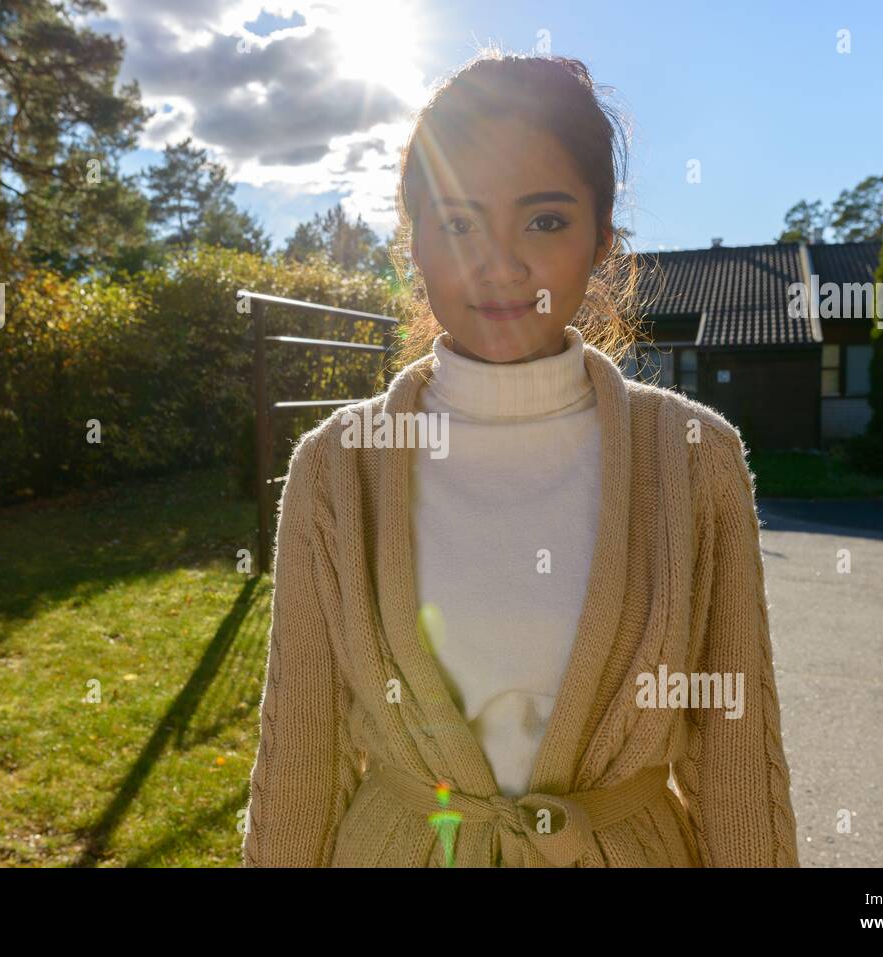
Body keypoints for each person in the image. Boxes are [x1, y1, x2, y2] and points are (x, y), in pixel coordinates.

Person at [241, 49, 799, 867]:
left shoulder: (694, 459)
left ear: (604, 238)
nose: (499, 265)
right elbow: (299, 759)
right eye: (460, 222)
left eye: (544, 220)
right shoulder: (335, 470)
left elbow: (736, 760)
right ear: (415, 241)